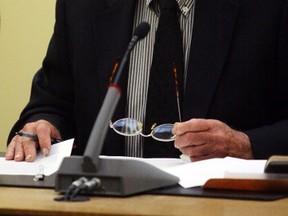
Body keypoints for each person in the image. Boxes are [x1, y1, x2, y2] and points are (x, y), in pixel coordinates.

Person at [5, 0, 288, 162]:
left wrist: (245, 144)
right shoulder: (82, 7)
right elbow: (52, 102)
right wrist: (43, 125)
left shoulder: (268, 8)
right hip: (104, 204)